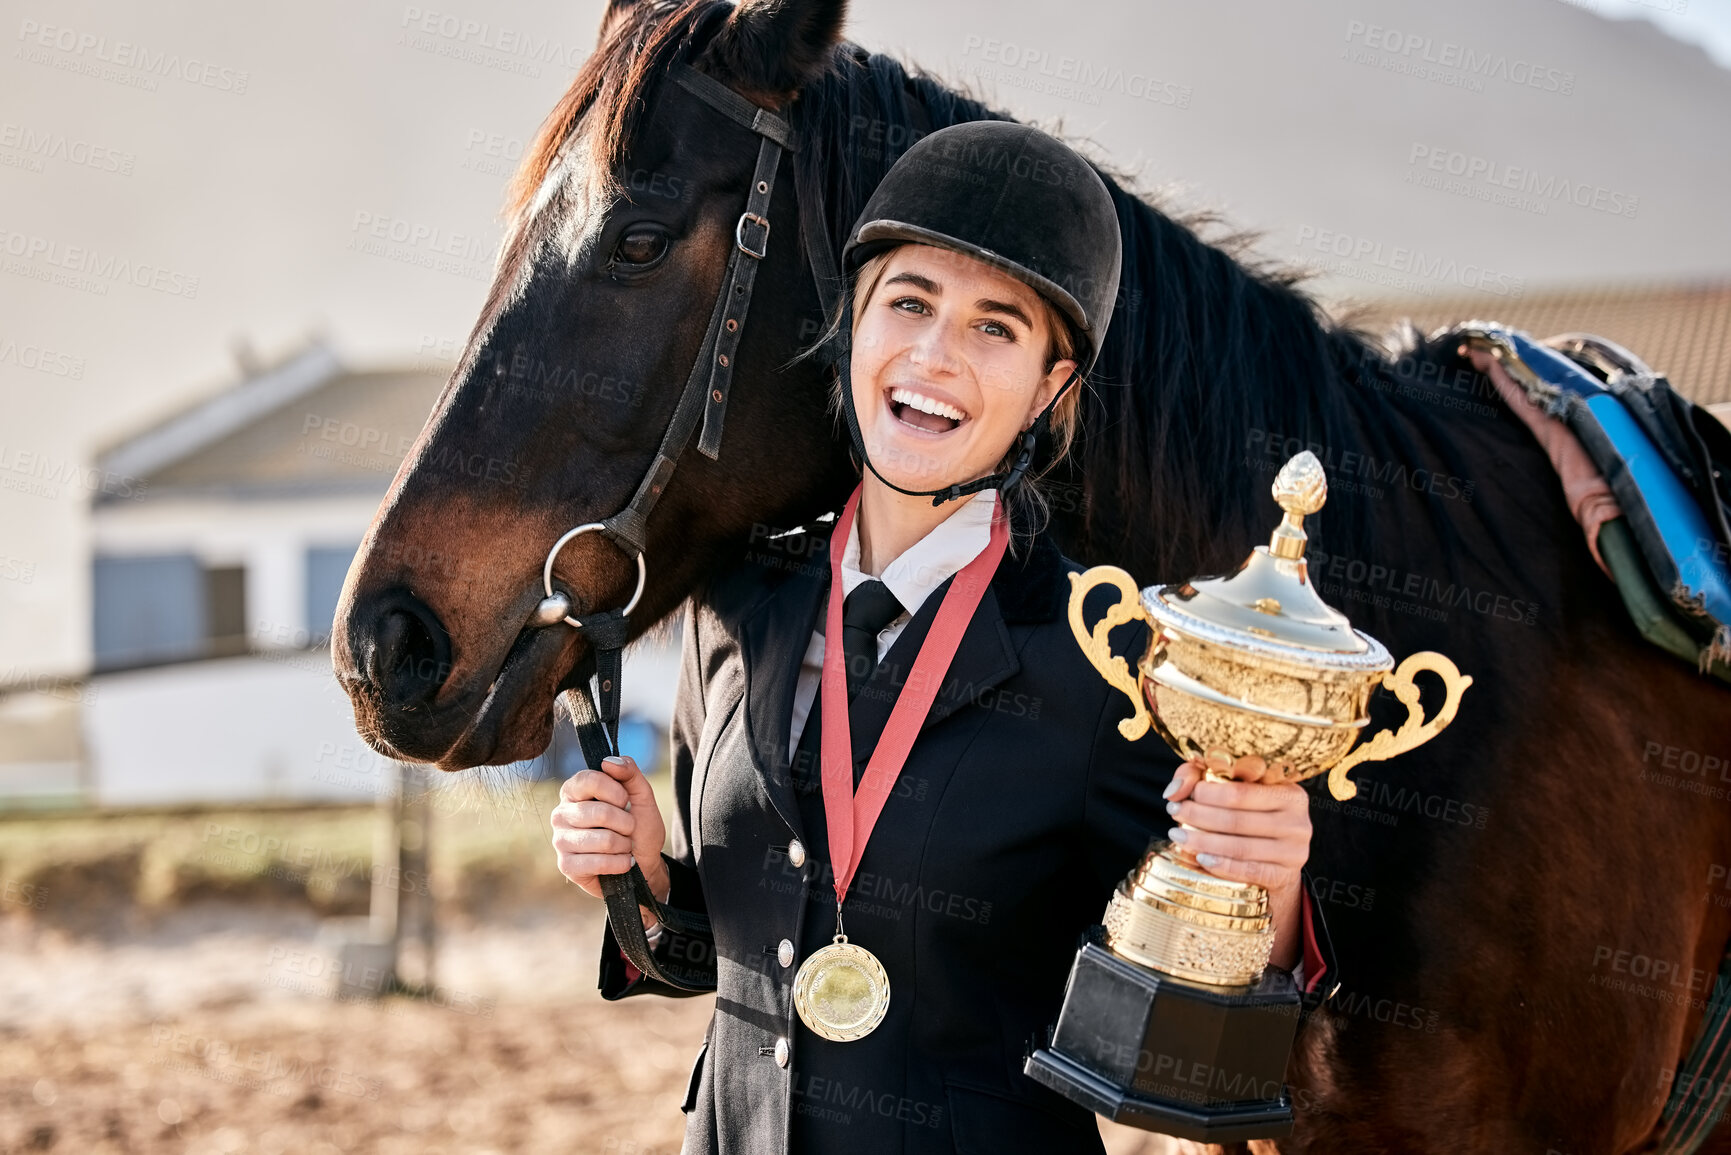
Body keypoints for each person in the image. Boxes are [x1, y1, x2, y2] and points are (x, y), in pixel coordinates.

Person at [550, 119, 1337, 1155]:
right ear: (855, 329)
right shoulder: (736, 603)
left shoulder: (1108, 661)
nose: (934, 355)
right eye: (909, 304)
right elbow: (740, 953)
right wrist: (645, 877)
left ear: (1052, 390)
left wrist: (1269, 892)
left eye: (994, 328)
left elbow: (1196, 1043)